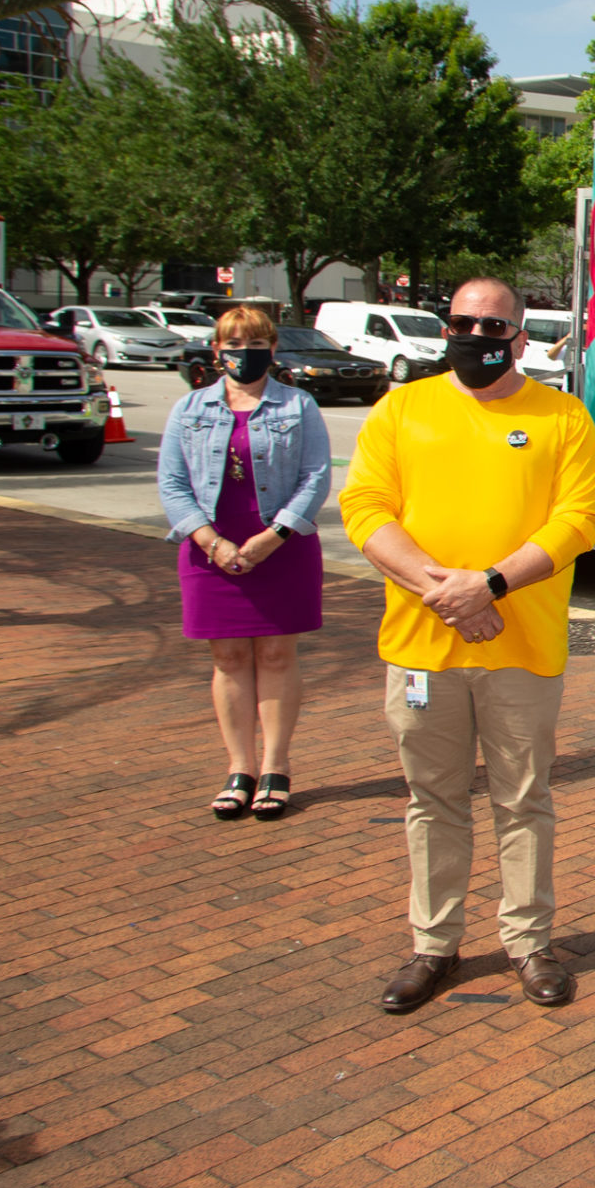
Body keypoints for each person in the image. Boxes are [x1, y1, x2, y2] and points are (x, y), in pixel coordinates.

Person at [341, 278, 595, 1014]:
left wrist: (488, 586)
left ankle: (529, 941)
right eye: (463, 321)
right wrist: (447, 592)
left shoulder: (561, 416)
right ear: (447, 327)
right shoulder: (403, 408)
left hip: (520, 649)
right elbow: (365, 508)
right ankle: (434, 943)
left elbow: (579, 519)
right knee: (433, 799)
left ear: (521, 335)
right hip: (424, 648)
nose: (477, 333)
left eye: (494, 324)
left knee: (524, 798)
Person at [157, 305, 331, 821]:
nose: (244, 354)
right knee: (228, 659)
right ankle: (240, 769)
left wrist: (271, 537)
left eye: (255, 344)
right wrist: (212, 542)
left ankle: (276, 767)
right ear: (216, 351)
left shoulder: (298, 406)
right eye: (233, 345)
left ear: (273, 350)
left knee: (277, 655)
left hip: (280, 548)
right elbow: (172, 484)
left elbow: (315, 477)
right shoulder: (189, 409)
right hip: (212, 550)